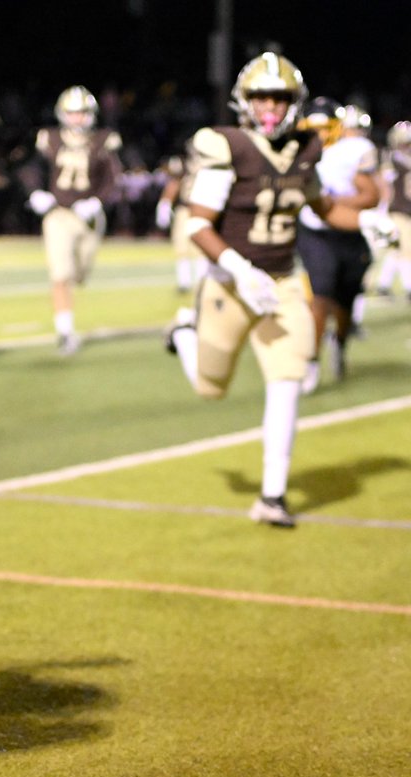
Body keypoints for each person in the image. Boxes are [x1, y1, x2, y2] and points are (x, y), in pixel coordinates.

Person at [164, 53, 396, 528]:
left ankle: (273, 496)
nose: (270, 107)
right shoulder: (225, 146)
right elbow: (197, 225)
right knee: (210, 388)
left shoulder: (306, 148)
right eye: (260, 97)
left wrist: (367, 219)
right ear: (243, 102)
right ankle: (185, 332)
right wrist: (237, 266)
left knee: (288, 378)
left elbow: (325, 207)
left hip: (282, 282)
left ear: (295, 103)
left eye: (280, 97)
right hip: (231, 283)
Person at [27, 85, 123, 354]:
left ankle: (66, 327)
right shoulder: (50, 138)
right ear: (62, 114)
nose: (77, 118)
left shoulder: (103, 139)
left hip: (89, 218)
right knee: (61, 275)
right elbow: (32, 168)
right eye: (71, 113)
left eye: (81, 113)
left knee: (79, 275)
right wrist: (36, 192)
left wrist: (98, 201)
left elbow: (113, 177)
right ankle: (65, 332)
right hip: (58, 215)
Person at [294, 97, 380, 392]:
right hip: (315, 232)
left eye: (325, 128)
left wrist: (333, 201)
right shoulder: (294, 150)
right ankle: (311, 361)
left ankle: (339, 342)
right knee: (320, 296)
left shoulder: (353, 151)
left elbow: (371, 196)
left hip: (348, 231)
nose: (318, 135)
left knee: (344, 301)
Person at [155, 151, 207, 293]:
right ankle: (184, 281)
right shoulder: (185, 165)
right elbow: (175, 183)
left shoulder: (211, 164)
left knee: (201, 246)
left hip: (204, 209)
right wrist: (165, 203)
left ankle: (201, 280)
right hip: (185, 208)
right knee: (181, 245)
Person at [373, 120, 411, 300]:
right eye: (405, 142)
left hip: (405, 210)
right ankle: (408, 286)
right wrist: (382, 210)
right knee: (405, 249)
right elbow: (384, 186)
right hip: (397, 210)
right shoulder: (392, 159)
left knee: (396, 250)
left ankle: (383, 285)